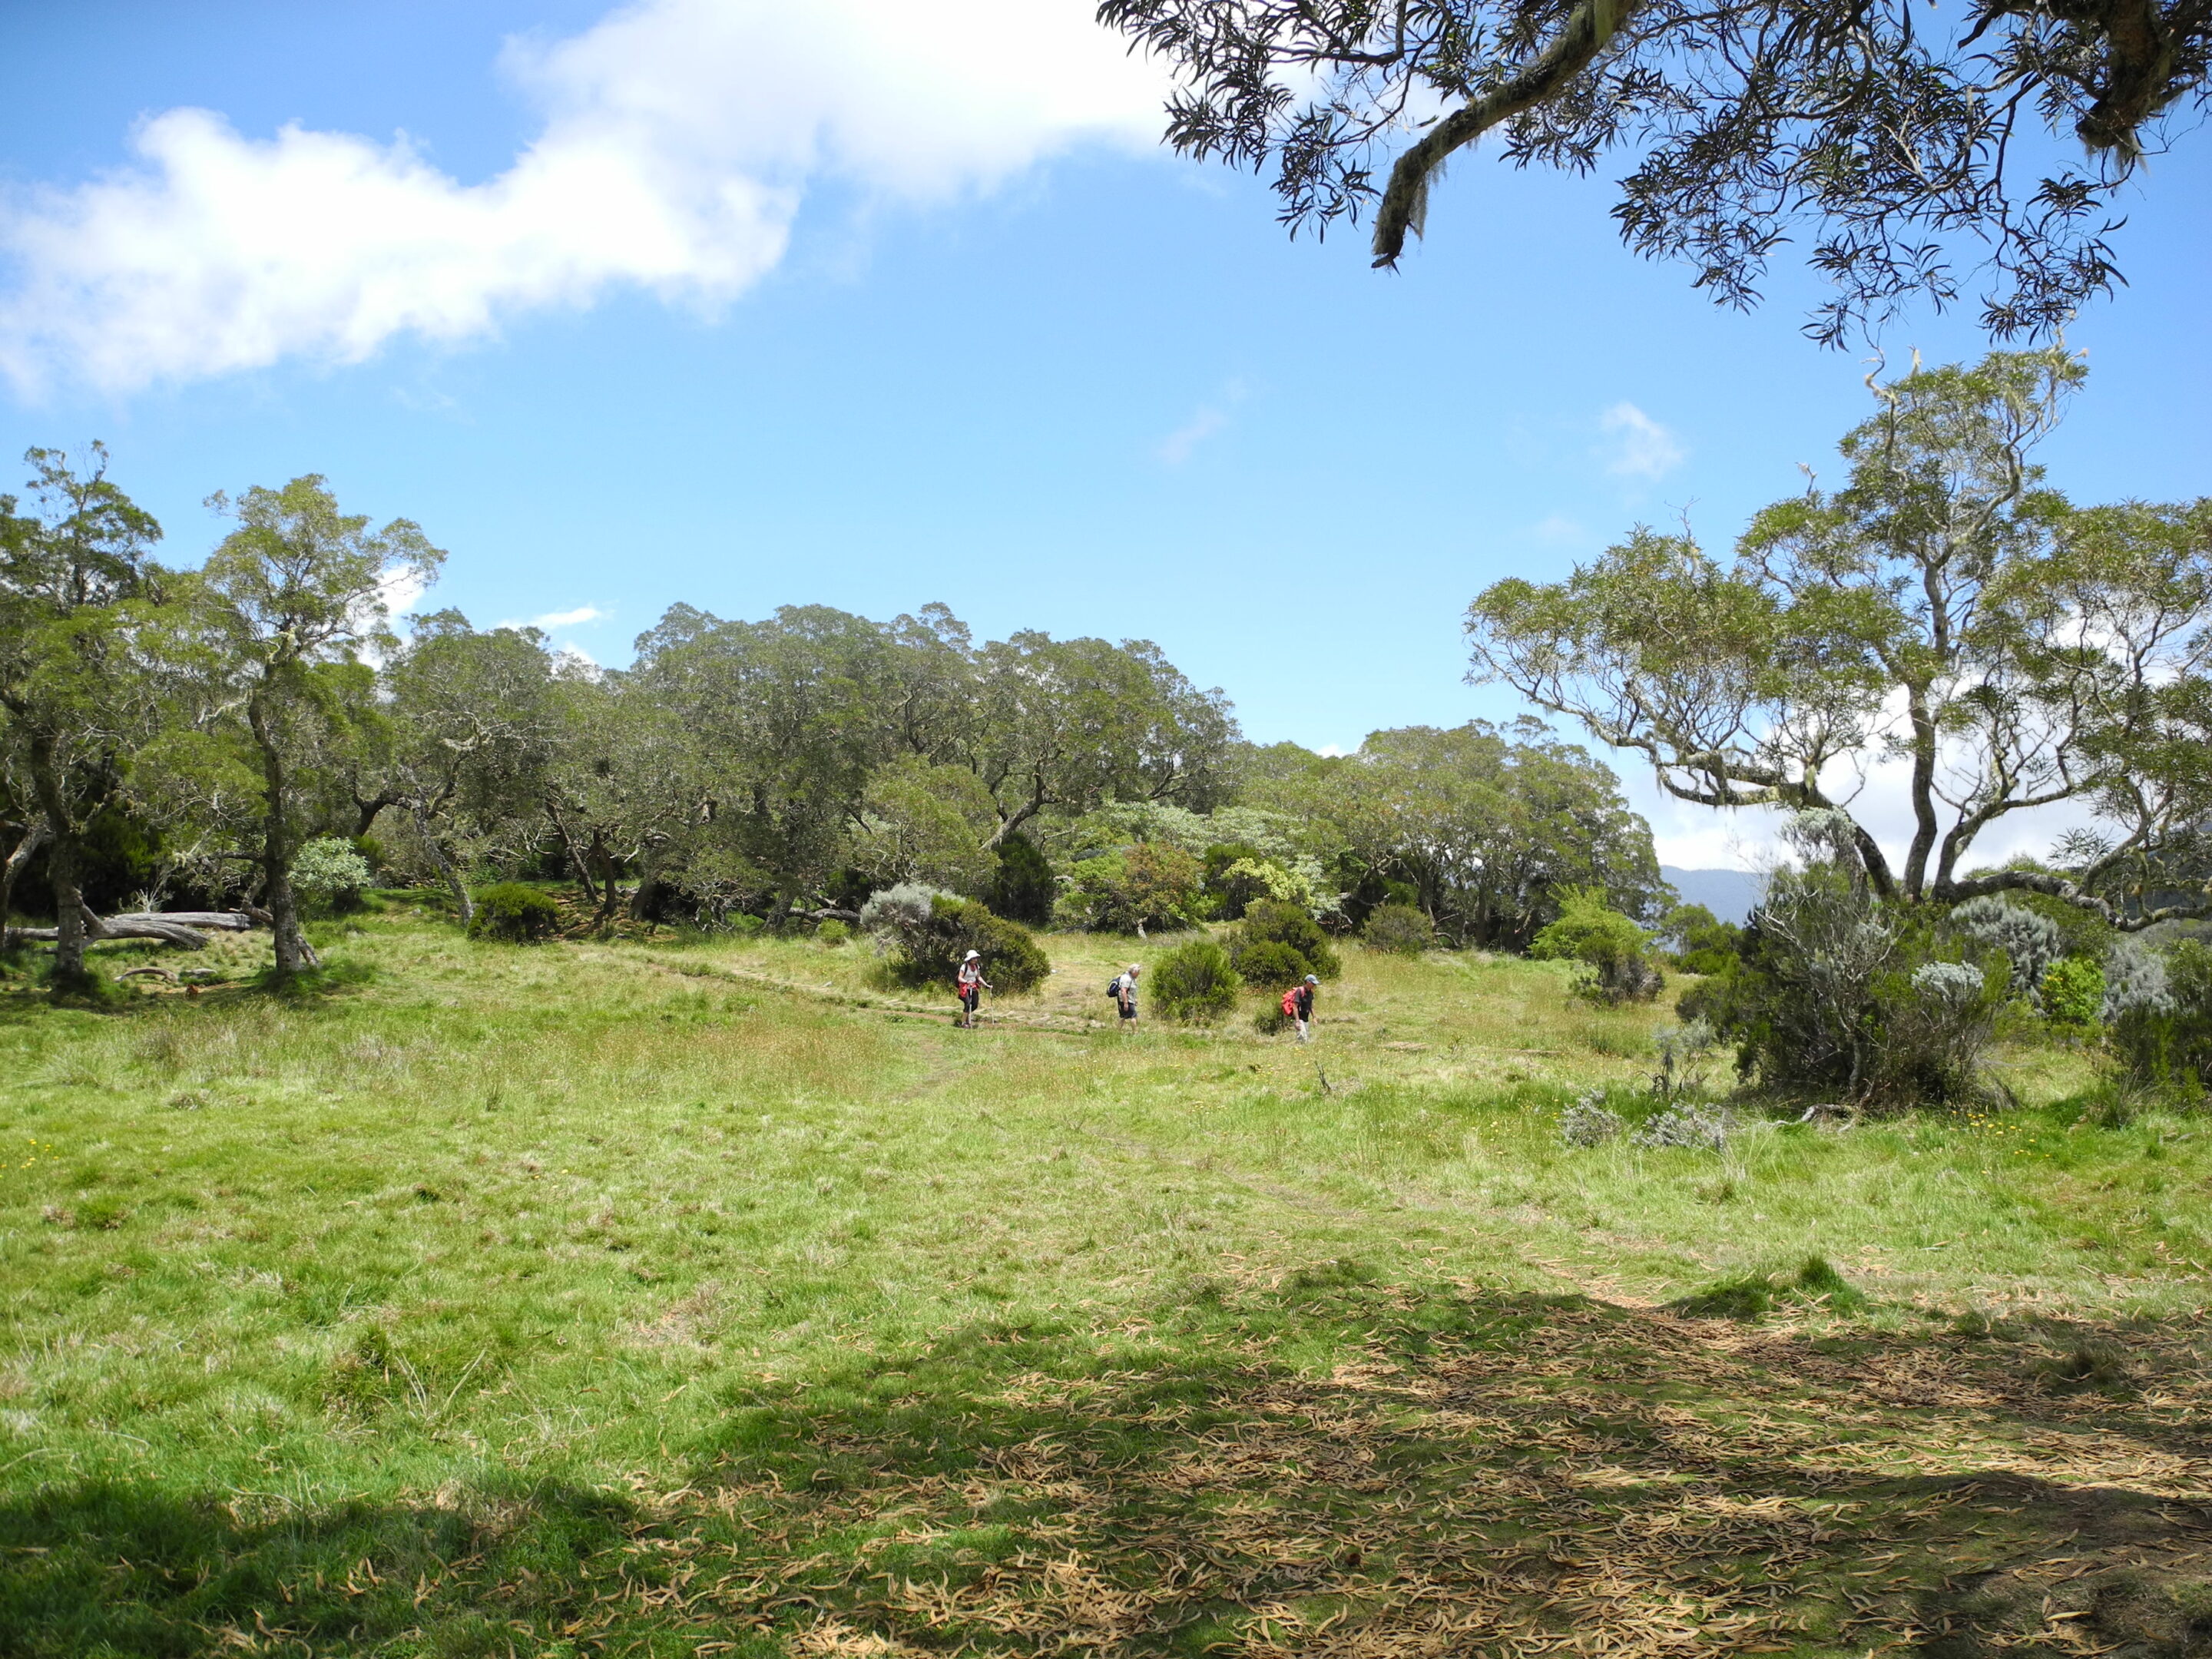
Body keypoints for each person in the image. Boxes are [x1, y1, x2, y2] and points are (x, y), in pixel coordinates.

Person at [955, 949, 992, 1029]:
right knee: (968, 1004)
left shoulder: (976, 966)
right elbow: (959, 978)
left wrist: (986, 985)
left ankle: (967, 1017)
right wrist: (966, 982)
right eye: (974, 958)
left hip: (973, 987)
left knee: (974, 1005)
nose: (976, 960)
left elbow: (978, 977)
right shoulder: (964, 966)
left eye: (976, 958)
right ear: (970, 959)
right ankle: (963, 1023)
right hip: (965, 988)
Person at [1280, 973, 1318, 1041]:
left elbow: (1311, 1006)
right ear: (1308, 982)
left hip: (1306, 1019)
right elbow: (1295, 1006)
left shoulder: (1311, 992)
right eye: (1313, 983)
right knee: (1302, 1038)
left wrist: (1314, 1017)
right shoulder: (1300, 991)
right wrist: (1297, 1021)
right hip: (1299, 1019)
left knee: (1306, 1039)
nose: (1314, 985)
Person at [1111, 962, 1141, 1027]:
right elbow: (1123, 991)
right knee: (1133, 1016)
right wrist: (1126, 1003)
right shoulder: (1127, 978)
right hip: (1126, 1000)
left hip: (1128, 1000)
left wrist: (1134, 999)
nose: (1139, 973)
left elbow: (1131, 990)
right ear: (1134, 971)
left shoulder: (1131, 978)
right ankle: (1135, 1033)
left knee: (1123, 1016)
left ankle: (1117, 1032)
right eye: (1138, 972)